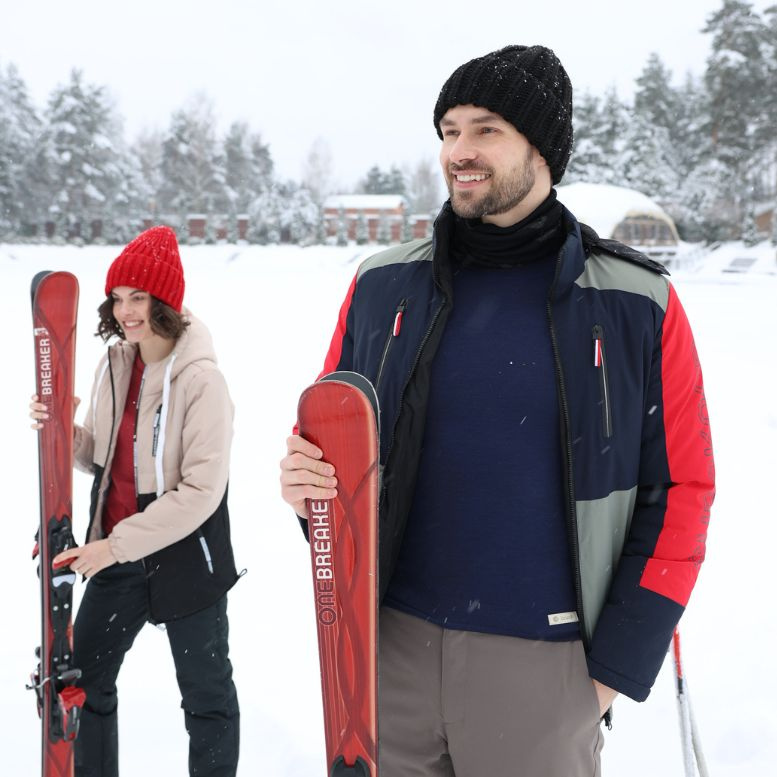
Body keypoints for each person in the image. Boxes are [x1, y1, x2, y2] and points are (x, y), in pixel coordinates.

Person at [280, 45, 715, 777]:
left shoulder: (635, 302)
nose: (459, 152)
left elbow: (681, 492)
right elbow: (331, 445)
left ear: (541, 149)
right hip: (385, 660)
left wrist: (609, 669)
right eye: (448, 130)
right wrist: (304, 485)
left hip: (545, 667)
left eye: (485, 130)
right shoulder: (382, 285)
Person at [30, 225, 240, 777]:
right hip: (118, 555)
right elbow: (100, 454)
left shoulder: (202, 381)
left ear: (165, 300)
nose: (125, 311)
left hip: (185, 557)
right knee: (88, 683)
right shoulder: (117, 364)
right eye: (118, 298)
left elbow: (200, 492)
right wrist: (60, 429)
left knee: (207, 700)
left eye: (138, 297)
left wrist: (114, 545)